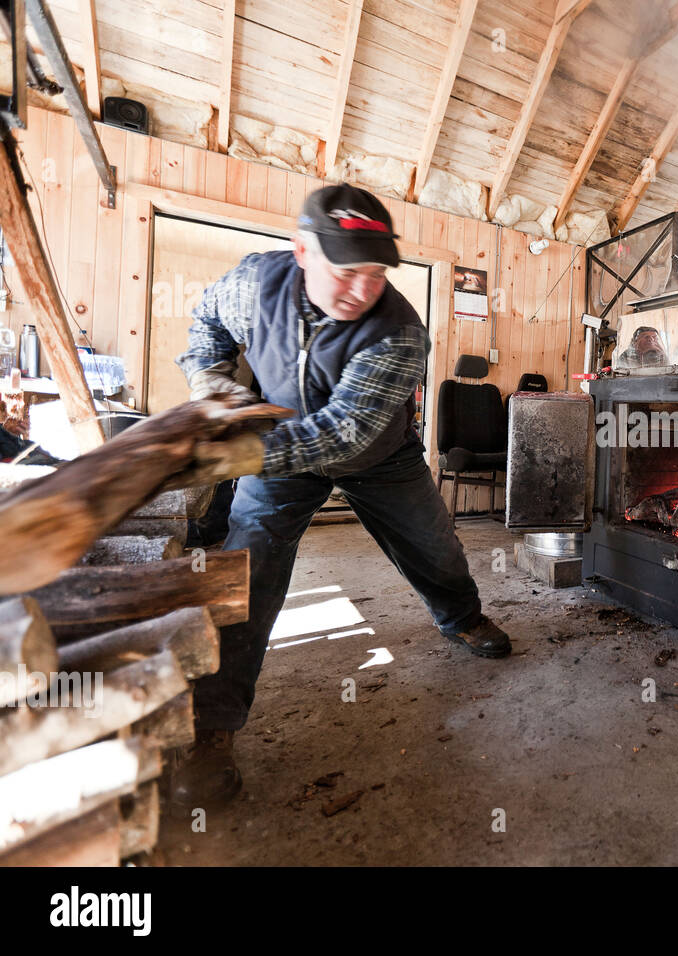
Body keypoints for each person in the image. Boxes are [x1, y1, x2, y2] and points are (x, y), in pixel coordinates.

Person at [170, 184, 511, 807]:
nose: (363, 288)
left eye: (376, 274)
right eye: (347, 272)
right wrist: (210, 380)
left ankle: (461, 617)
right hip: (278, 452)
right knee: (246, 570)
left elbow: (342, 433)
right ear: (302, 251)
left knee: (434, 545)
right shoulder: (253, 284)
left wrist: (234, 455)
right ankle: (211, 727)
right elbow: (206, 326)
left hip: (379, 454)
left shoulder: (401, 332)